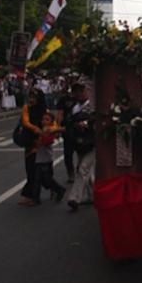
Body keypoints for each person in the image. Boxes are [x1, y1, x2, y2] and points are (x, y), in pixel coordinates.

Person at [66, 82, 95, 212]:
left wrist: (87, 124)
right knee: (84, 169)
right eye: (76, 91)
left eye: (81, 91)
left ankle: (74, 198)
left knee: (83, 168)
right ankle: (92, 195)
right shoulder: (74, 107)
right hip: (79, 142)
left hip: (92, 141)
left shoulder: (93, 105)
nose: (78, 93)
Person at [18, 88, 47, 205]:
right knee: (30, 170)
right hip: (29, 142)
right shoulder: (26, 109)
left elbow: (51, 124)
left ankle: (34, 197)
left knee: (37, 171)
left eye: (34, 97)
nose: (32, 100)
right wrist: (36, 129)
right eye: (30, 97)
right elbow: (25, 122)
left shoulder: (45, 111)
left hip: (41, 143)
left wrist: (45, 131)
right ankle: (30, 195)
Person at [31, 111, 65, 205]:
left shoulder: (50, 130)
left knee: (46, 179)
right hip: (40, 157)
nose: (44, 121)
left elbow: (47, 141)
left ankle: (59, 189)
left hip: (46, 158)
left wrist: (41, 135)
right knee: (39, 179)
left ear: (51, 121)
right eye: (43, 119)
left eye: (47, 119)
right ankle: (36, 198)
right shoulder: (42, 129)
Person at [55, 79, 76, 184]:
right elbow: (60, 114)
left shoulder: (83, 98)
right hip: (67, 129)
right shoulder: (64, 99)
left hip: (80, 129)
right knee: (68, 154)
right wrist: (57, 128)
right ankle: (71, 172)